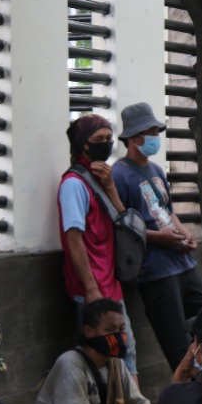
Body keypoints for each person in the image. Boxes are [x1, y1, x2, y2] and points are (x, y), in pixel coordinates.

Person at [111, 102, 202, 369]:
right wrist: (158, 237)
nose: (154, 137)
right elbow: (124, 228)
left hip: (183, 263)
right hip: (156, 270)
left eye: (156, 131)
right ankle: (188, 393)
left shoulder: (156, 170)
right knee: (176, 340)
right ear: (132, 137)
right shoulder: (120, 174)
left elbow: (168, 211)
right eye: (148, 132)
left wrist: (185, 234)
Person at [58, 113, 137, 375]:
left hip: (111, 281)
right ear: (83, 144)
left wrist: (111, 188)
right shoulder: (73, 184)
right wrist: (91, 288)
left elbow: (125, 221)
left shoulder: (102, 178)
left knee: (126, 353)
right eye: (98, 139)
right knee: (106, 358)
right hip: (92, 288)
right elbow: (73, 238)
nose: (105, 143)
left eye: (109, 138)